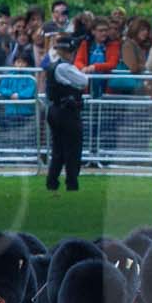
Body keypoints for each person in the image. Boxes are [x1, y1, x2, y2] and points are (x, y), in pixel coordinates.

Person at [43, 32, 89, 192]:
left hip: (56, 110)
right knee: (72, 150)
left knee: (58, 150)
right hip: (67, 112)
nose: (72, 54)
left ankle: (52, 182)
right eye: (70, 51)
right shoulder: (65, 67)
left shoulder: (54, 66)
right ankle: (71, 183)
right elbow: (84, 81)